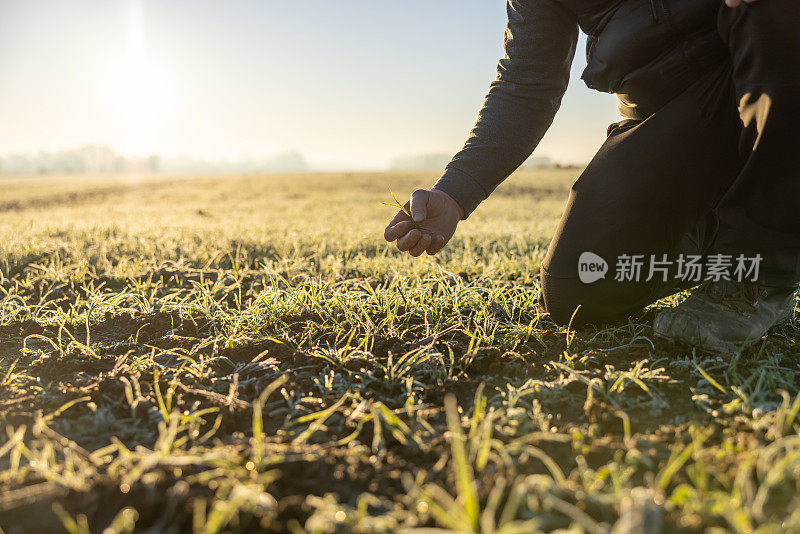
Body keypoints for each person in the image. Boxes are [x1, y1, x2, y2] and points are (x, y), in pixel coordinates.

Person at [384, 0, 800, 353]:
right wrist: (456, 191)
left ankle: (757, 272)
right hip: (670, 116)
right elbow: (527, 83)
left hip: (767, 72)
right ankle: (728, 239)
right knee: (579, 283)